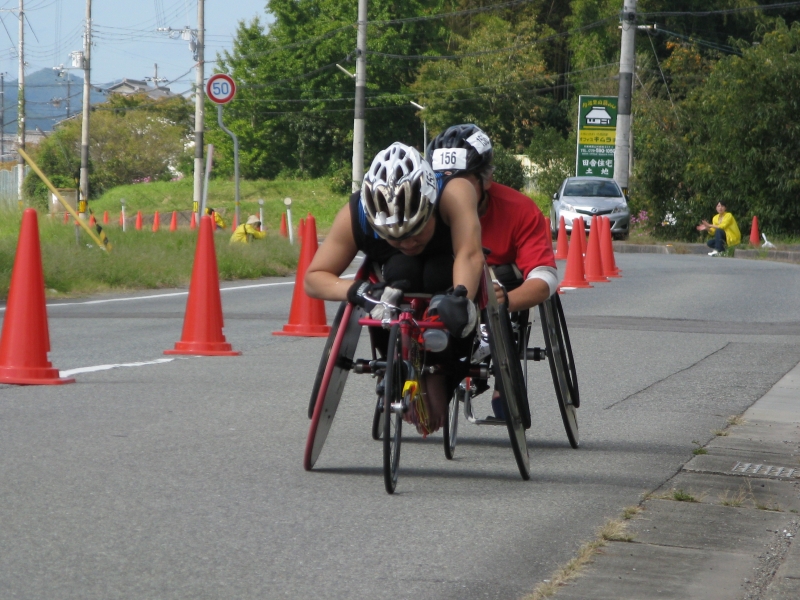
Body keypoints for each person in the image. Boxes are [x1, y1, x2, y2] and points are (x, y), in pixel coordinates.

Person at [305, 142, 484, 434]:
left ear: (430, 205)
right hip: (396, 275)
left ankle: (439, 371)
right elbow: (314, 278)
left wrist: (461, 296)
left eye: (416, 231)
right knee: (403, 269)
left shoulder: (455, 192)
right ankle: (397, 359)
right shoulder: (357, 214)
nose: (408, 243)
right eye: (395, 237)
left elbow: (469, 254)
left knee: (439, 274)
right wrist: (358, 292)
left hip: (447, 264)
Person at [427, 124, 558, 419]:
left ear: (486, 179)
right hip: (448, 285)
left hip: (501, 285)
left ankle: (504, 375)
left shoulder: (520, 210)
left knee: (506, 275)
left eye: (461, 181)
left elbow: (544, 277)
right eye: (441, 180)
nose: (450, 190)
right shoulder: (426, 206)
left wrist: (507, 301)